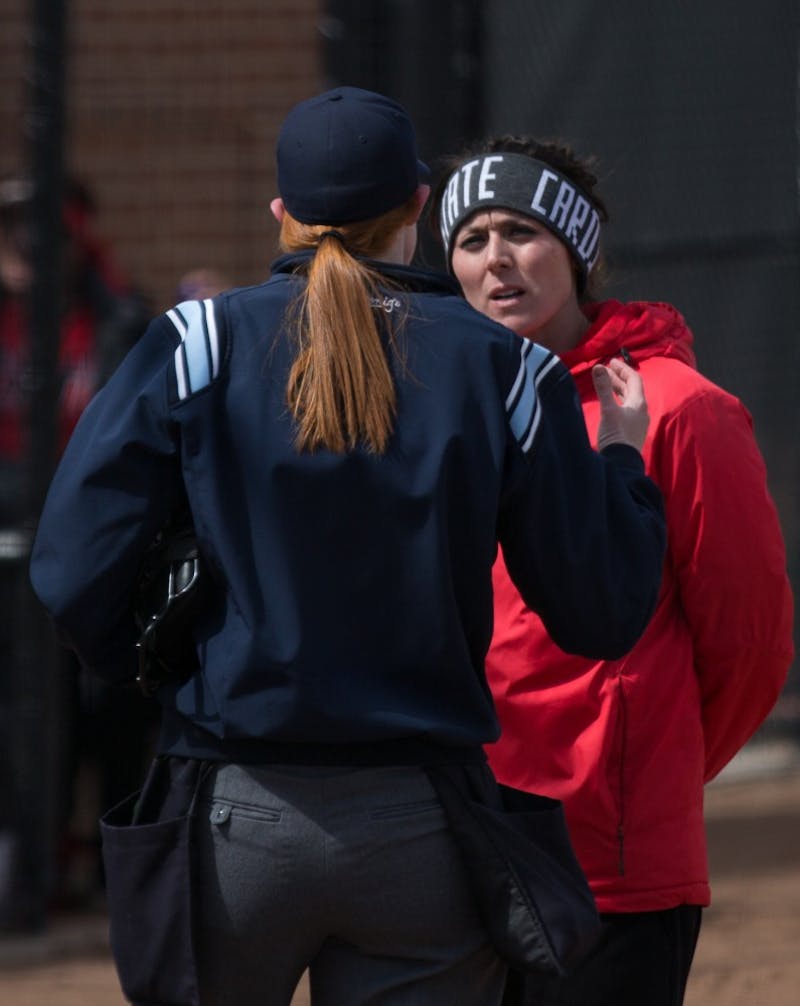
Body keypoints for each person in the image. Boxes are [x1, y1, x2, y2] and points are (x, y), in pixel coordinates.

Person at [29, 89, 666, 1005]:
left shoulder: (197, 341)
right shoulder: (504, 367)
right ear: (418, 207)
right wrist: (620, 462)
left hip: (233, 812)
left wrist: (159, 671)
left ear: (281, 216)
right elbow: (603, 606)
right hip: (420, 826)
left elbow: (71, 569)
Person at [432, 136, 795, 1006]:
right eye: (471, 240)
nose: (496, 260)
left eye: (521, 231)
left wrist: (649, 771)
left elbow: (748, 641)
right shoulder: (441, 406)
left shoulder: (680, 410)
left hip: (611, 865)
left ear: (578, 250)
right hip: (457, 850)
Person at [0, 175, 153, 925]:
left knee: (114, 707)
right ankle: (35, 861)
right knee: (26, 710)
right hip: (4, 551)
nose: (26, 244)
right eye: (13, 227)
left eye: (45, 229)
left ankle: (108, 864)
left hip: (97, 547)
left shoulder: (120, 319)